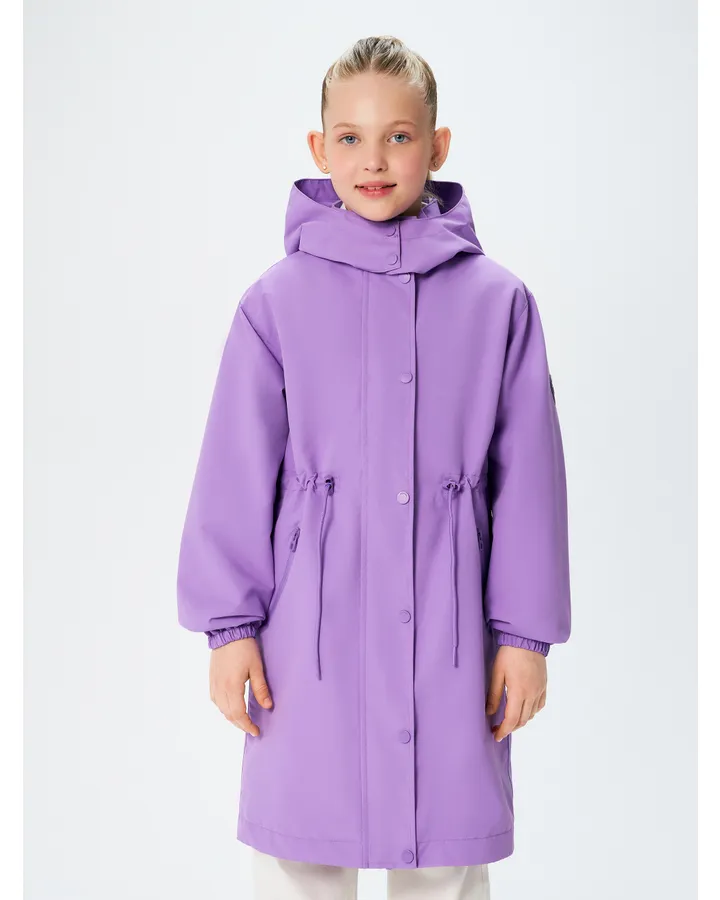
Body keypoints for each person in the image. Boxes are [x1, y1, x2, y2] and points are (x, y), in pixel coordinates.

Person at [177, 34, 572, 900]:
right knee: (301, 859)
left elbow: (531, 488)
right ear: (318, 149)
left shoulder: (499, 303)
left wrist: (524, 639)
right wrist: (229, 632)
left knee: (443, 860)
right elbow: (233, 475)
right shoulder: (274, 303)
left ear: (438, 145)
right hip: (307, 638)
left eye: (399, 136)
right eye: (350, 137)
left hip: (450, 635)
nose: (375, 159)